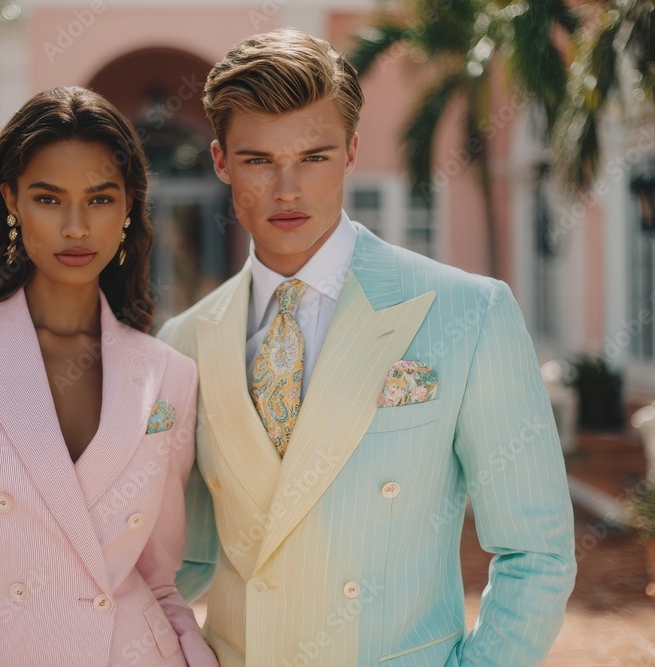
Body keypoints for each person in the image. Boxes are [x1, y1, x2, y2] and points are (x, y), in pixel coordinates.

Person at [157, 28, 577, 666]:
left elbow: (536, 550)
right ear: (220, 161)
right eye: (258, 160)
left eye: (314, 157)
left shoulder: (469, 312)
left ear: (352, 152)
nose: (287, 188)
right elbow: (175, 564)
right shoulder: (183, 340)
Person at [0, 86, 217, 667]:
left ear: (129, 205)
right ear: (11, 200)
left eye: (100, 200)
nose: (76, 227)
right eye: (49, 199)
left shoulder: (168, 375)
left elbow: (159, 581)